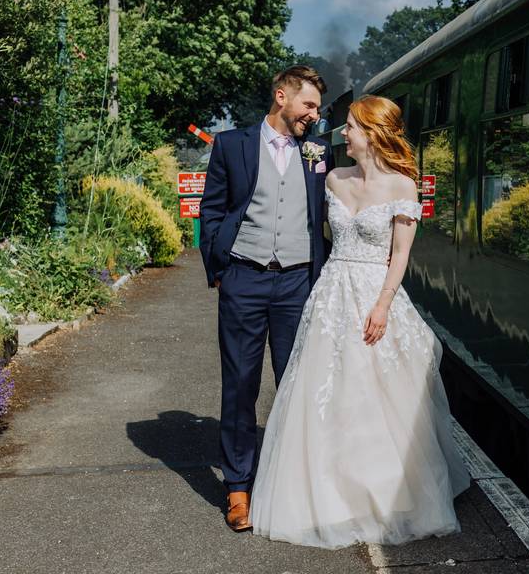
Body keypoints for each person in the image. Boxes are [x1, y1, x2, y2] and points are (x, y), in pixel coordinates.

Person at [250, 95, 470, 548]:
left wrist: (383, 305)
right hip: (331, 293)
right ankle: (332, 496)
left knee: (379, 395)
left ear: (372, 132)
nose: (342, 132)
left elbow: (401, 252)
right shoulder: (332, 179)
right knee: (327, 390)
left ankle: (387, 494)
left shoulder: (403, 188)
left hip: (375, 292)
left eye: (349, 126)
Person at [198, 65, 333, 532]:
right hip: (244, 279)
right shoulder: (232, 144)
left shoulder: (318, 150)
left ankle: (293, 483)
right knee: (240, 385)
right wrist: (219, 269)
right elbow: (212, 210)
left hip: (297, 283)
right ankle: (238, 488)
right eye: (309, 105)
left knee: (297, 383)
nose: (314, 115)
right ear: (282, 96)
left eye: (316, 108)